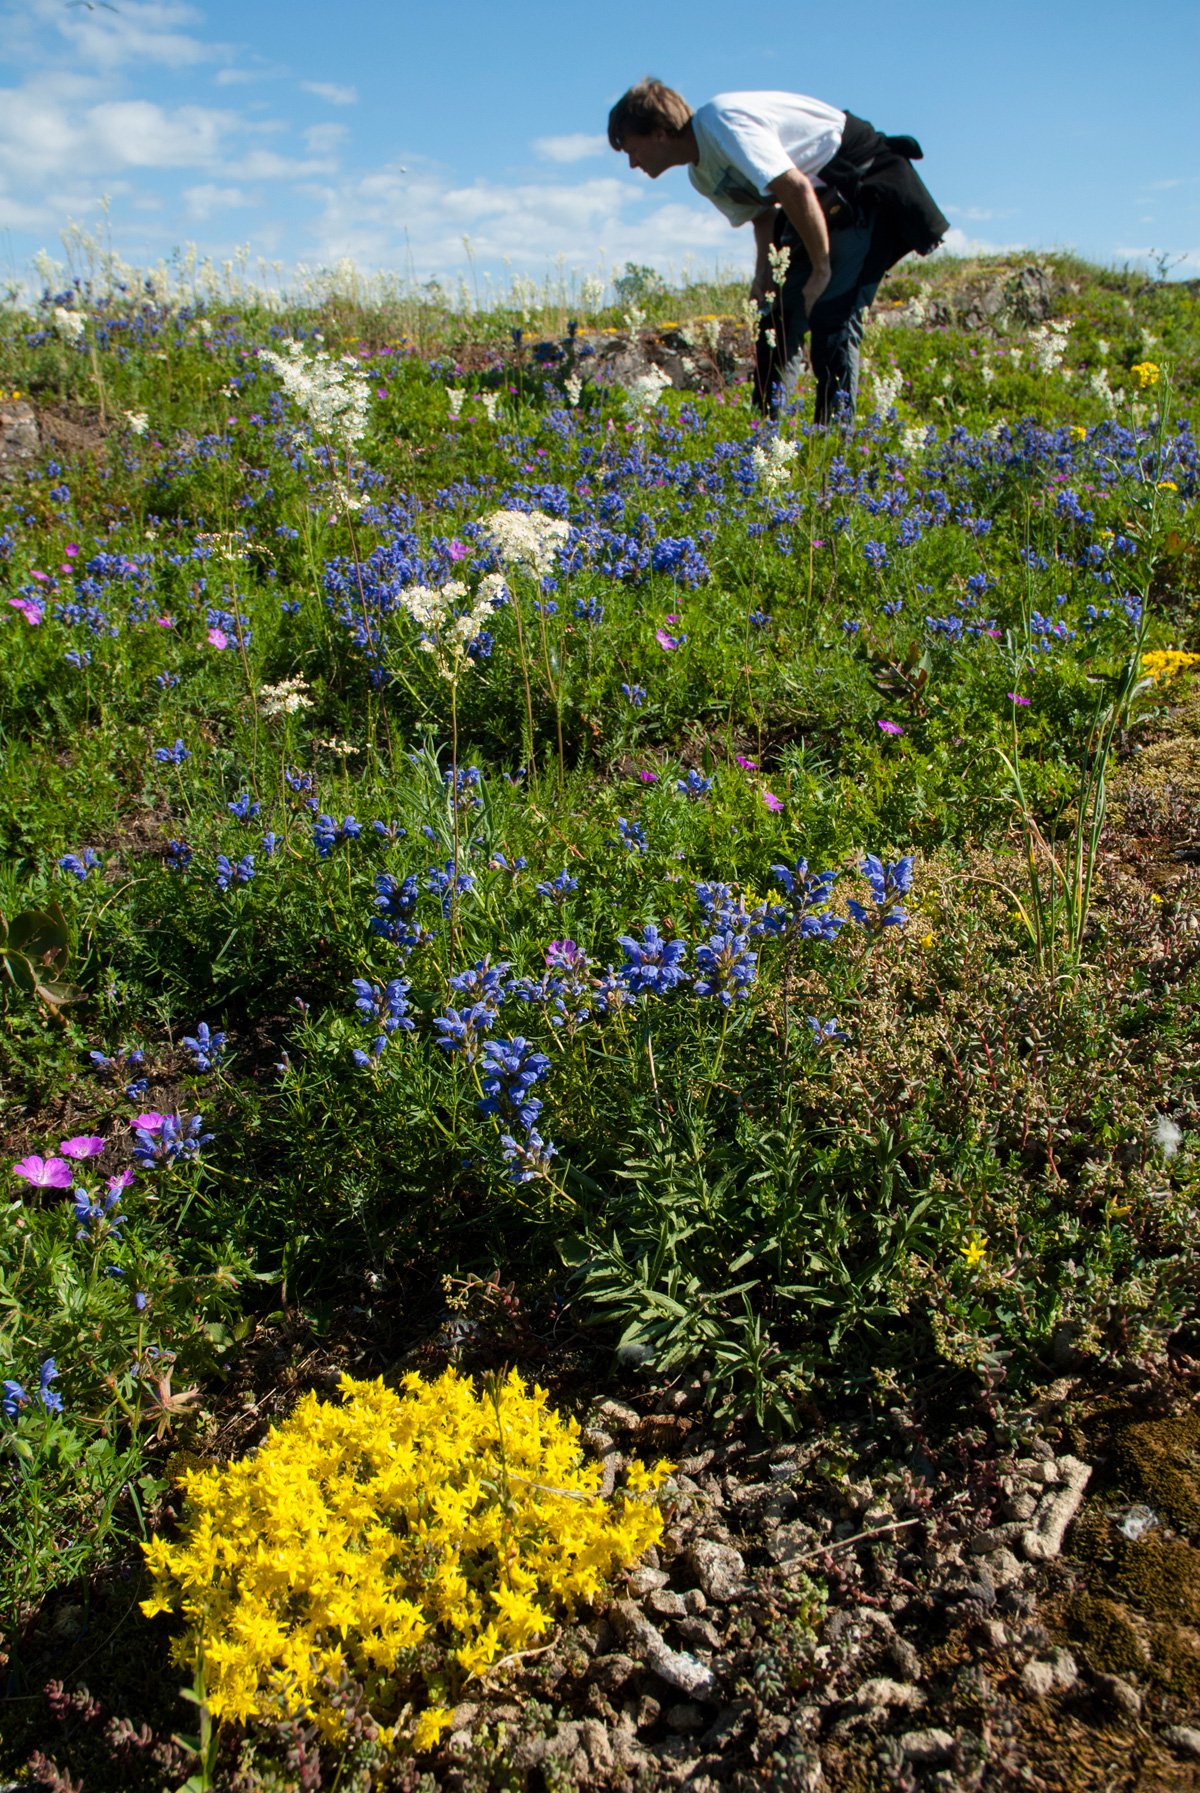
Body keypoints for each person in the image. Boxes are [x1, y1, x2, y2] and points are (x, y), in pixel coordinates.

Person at [607, 79, 949, 423]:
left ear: (658, 133)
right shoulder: (702, 176)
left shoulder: (720, 121)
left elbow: (795, 186)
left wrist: (821, 270)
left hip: (860, 183)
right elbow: (763, 216)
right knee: (777, 320)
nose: (632, 163)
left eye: (630, 149)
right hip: (816, 205)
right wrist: (764, 277)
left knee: (832, 315)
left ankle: (836, 448)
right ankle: (767, 435)